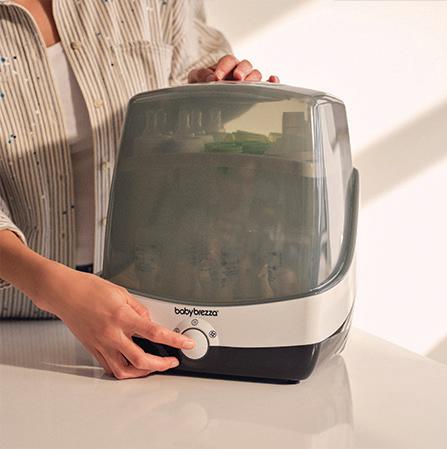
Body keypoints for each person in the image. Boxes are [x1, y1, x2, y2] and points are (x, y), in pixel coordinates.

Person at [0, 0, 279, 379]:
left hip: (150, 306)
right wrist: (54, 288)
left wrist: (212, 95)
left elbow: (195, 82)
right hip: (11, 334)